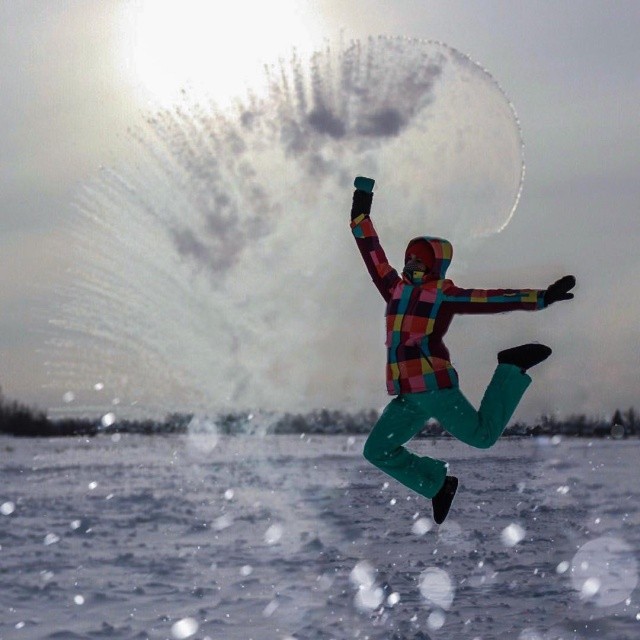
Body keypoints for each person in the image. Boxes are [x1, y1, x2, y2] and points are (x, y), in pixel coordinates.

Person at [350, 176, 576, 524]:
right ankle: (438, 484)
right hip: (408, 396)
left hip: (435, 387)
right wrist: (361, 208)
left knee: (483, 437)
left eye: (419, 264)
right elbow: (372, 253)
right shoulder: (394, 288)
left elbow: (490, 298)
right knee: (376, 450)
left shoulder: (442, 293)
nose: (411, 269)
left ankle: (511, 368)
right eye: (408, 262)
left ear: (435, 267)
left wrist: (542, 298)